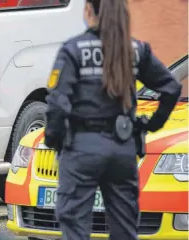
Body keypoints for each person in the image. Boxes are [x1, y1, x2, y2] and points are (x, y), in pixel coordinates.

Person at [44, 0, 182, 239]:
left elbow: (57, 104)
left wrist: (54, 141)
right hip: (123, 147)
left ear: (89, 10)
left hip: (82, 148)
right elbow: (170, 87)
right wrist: (152, 124)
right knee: (125, 228)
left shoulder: (74, 50)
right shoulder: (136, 51)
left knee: (75, 226)